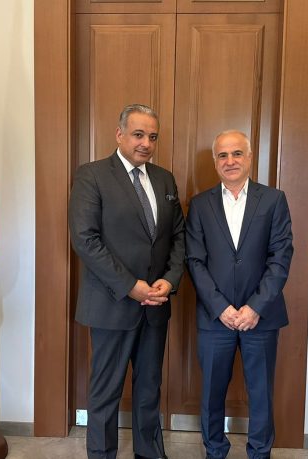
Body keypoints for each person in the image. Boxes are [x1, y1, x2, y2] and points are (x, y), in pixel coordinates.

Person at [69, 104, 185, 459]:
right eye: (138, 134)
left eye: (152, 136)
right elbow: (85, 239)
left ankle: (149, 453)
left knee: (149, 389)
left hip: (156, 306)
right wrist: (130, 286)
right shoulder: (92, 175)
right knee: (105, 392)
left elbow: (178, 236)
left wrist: (170, 280)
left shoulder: (164, 179)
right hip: (112, 304)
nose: (146, 143)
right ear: (119, 134)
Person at [185, 130, 293, 459]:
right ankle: (215, 451)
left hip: (261, 317)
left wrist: (255, 307)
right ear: (215, 161)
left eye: (236, 154)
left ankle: (259, 453)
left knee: (260, 393)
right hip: (214, 318)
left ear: (249, 158)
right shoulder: (200, 205)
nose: (230, 161)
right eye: (222, 155)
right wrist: (220, 308)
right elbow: (195, 260)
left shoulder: (273, 200)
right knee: (211, 393)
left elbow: (281, 257)